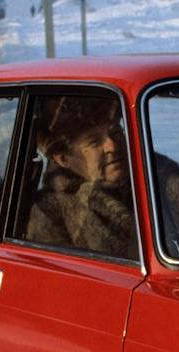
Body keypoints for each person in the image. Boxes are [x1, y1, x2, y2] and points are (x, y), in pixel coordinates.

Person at [20, 96, 139, 260]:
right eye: (95, 142)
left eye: (115, 133)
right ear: (64, 159)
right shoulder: (51, 213)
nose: (112, 146)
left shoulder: (156, 176)